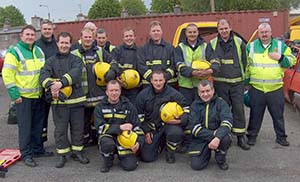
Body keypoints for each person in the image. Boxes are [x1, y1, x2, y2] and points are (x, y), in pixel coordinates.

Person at [2, 25, 53, 167]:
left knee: (38, 125)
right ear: (21, 36)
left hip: (38, 95)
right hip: (23, 97)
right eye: (27, 34)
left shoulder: (38, 51)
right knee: (25, 127)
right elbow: (7, 74)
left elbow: (44, 71)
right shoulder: (14, 52)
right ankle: (26, 154)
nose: (30, 37)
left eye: (32, 34)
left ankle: (37, 149)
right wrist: (14, 95)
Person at [40, 32, 89, 168]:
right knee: (60, 130)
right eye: (61, 42)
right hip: (59, 103)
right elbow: (43, 75)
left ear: (70, 44)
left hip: (76, 102)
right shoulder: (50, 61)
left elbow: (76, 73)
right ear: (57, 43)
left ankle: (78, 152)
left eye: (66, 43)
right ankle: (62, 155)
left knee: (78, 129)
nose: (64, 45)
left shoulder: (76, 59)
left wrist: (61, 83)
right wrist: (51, 85)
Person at [245, 23, 296, 146]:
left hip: (275, 88)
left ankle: (281, 137)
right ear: (258, 33)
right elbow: (246, 66)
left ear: (271, 32)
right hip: (256, 88)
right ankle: (251, 136)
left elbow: (291, 61)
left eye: (266, 32)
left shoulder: (280, 46)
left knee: (278, 116)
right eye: (261, 32)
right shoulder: (250, 47)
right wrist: (246, 84)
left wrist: (280, 57)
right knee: (255, 115)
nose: (264, 34)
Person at [205, 19, 250, 150]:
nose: (224, 31)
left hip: (237, 83)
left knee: (238, 110)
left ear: (230, 28)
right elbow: (210, 58)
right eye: (221, 29)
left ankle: (240, 136)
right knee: (222, 111)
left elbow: (246, 61)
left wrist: (246, 81)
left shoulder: (239, 42)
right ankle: (224, 135)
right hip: (220, 84)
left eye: (226, 28)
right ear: (218, 30)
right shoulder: (212, 44)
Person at [71, 27, 118, 147]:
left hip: (99, 95)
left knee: (98, 120)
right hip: (82, 95)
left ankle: (99, 140)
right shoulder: (74, 53)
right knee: (84, 122)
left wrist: (112, 71)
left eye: (90, 37)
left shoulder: (100, 51)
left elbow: (113, 61)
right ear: (81, 38)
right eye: (85, 37)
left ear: (93, 38)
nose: (88, 39)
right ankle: (84, 142)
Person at [135, 70, 189, 163]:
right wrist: (146, 131)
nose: (158, 83)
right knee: (147, 157)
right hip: (152, 128)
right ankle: (161, 143)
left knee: (175, 133)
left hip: (169, 126)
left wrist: (180, 121)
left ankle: (170, 151)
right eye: (155, 80)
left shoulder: (174, 94)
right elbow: (138, 116)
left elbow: (187, 109)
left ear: (165, 80)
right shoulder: (142, 95)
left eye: (160, 80)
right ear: (151, 81)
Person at [94, 80, 144, 172]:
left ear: (120, 91)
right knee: (106, 142)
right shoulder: (99, 107)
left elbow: (137, 126)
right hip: (108, 137)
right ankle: (108, 160)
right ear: (107, 92)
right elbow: (100, 128)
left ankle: (125, 157)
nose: (114, 93)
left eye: (116, 90)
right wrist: (120, 128)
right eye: (111, 90)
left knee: (130, 166)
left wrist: (138, 143)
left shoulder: (129, 106)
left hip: (125, 140)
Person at [188, 80, 232, 170]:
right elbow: (194, 128)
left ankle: (220, 158)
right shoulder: (194, 106)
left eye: (208, 91)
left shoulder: (221, 103)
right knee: (196, 166)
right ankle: (205, 153)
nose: (205, 94)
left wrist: (218, 137)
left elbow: (227, 122)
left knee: (225, 139)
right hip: (201, 138)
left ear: (213, 90)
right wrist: (213, 135)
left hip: (218, 138)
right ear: (198, 93)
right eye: (202, 92)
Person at [175, 23, 213, 105]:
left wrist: (210, 70)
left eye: (194, 32)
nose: (192, 34)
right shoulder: (180, 47)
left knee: (201, 109)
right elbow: (179, 65)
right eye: (190, 32)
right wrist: (193, 72)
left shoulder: (205, 46)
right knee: (187, 110)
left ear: (198, 32)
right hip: (185, 87)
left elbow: (214, 60)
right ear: (186, 33)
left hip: (202, 86)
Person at [36, 19, 59, 143]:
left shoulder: (57, 44)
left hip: (57, 85)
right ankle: (41, 142)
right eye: (45, 29)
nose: (47, 31)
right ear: (41, 29)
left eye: (49, 29)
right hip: (43, 86)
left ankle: (60, 142)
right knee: (42, 116)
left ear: (52, 29)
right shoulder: (36, 45)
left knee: (59, 117)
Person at [137, 21, 177, 88]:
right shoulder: (143, 49)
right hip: (148, 86)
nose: (156, 33)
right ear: (150, 33)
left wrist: (164, 78)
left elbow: (174, 65)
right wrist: (153, 80)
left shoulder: (170, 48)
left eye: (158, 31)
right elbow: (141, 66)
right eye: (153, 31)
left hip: (169, 85)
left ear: (161, 32)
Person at [111, 27, 141, 105]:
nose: (129, 38)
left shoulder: (140, 52)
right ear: (123, 38)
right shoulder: (116, 51)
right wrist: (118, 78)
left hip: (135, 90)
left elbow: (142, 68)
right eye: (126, 36)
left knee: (133, 110)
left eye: (131, 36)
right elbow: (113, 66)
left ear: (135, 37)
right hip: (120, 88)